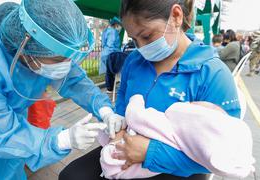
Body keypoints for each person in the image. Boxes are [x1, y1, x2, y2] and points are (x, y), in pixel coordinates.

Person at [0, 0, 126, 179]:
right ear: (25, 47)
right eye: (58, 60)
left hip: (11, 144)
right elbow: (2, 134)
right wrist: (61, 140)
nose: (67, 66)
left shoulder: (38, 39)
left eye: (69, 57)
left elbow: (74, 80)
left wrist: (105, 110)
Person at [59, 0, 241, 179]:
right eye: (134, 40)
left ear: (176, 16)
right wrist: (118, 124)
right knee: (70, 175)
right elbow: (123, 95)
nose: (142, 48)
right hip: (127, 146)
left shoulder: (212, 74)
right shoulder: (134, 61)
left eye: (147, 36)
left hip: (177, 165)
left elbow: (224, 153)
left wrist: (149, 152)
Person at [98, 95, 253, 179]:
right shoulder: (133, 62)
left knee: (111, 154)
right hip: (142, 160)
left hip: (129, 157)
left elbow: (135, 116)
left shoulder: (173, 125)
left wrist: (136, 99)